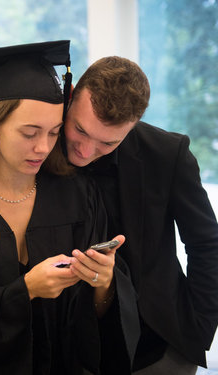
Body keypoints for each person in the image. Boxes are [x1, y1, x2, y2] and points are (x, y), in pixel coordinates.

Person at [0, 41, 137, 375]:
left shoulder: (78, 196)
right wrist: (26, 291)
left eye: (54, 132)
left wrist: (104, 284)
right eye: (29, 133)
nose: (43, 147)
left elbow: (95, 325)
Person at [63, 56, 218, 374]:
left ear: (132, 126)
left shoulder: (166, 154)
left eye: (107, 142)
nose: (86, 151)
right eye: (80, 130)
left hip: (158, 347)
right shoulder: (41, 150)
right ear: (73, 93)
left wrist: (198, 327)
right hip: (67, 348)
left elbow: (207, 245)